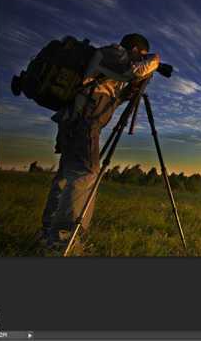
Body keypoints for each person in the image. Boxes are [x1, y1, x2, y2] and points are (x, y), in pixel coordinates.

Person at [39, 33, 160, 253]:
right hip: (84, 122)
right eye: (140, 55)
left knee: (66, 176)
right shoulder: (114, 53)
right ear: (135, 50)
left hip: (73, 120)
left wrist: (131, 91)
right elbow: (135, 70)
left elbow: (112, 95)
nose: (141, 59)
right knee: (85, 174)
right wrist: (156, 60)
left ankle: (48, 233)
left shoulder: (107, 64)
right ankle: (63, 239)